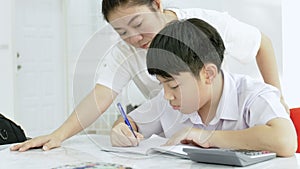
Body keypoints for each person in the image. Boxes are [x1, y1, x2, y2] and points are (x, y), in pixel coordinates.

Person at [11, 0, 288, 152]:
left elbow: (261, 44)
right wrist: (61, 135)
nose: (133, 38)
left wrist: (276, 96)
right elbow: (102, 98)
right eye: (121, 32)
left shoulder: (203, 26)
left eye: (138, 25)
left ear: (157, 5)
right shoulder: (165, 99)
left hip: (246, 120)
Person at [110, 18, 297, 157]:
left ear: (208, 74)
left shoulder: (253, 95)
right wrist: (121, 130)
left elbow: (285, 140)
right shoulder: (167, 101)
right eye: (162, 84)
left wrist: (206, 136)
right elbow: (129, 122)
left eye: (174, 85)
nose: (167, 95)